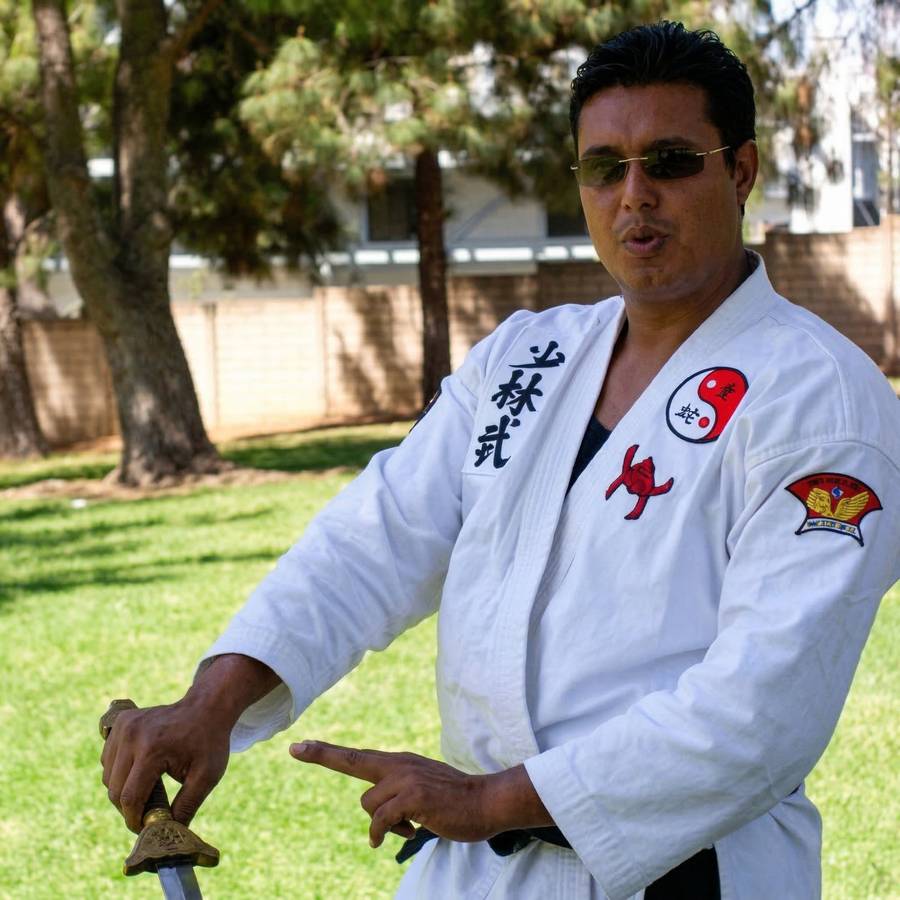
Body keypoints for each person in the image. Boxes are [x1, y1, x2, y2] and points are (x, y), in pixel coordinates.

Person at [101, 21, 900, 899]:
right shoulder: (531, 356)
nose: (634, 195)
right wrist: (214, 700)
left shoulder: (816, 395)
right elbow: (378, 537)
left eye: (669, 160)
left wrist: (495, 799)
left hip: (681, 870)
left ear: (739, 170)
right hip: (479, 871)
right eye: (605, 166)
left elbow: (764, 708)